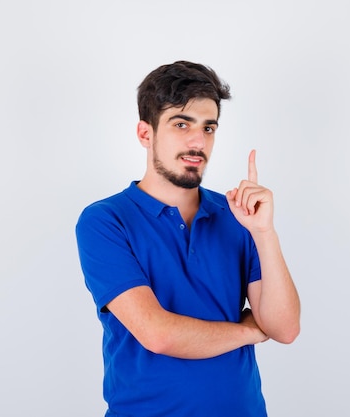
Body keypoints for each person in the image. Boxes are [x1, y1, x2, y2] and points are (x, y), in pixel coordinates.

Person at [75, 60, 300, 417]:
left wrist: (264, 232)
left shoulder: (237, 216)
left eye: (208, 127)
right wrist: (250, 331)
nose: (198, 142)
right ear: (145, 134)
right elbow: (158, 334)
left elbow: (285, 328)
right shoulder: (105, 221)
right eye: (181, 124)